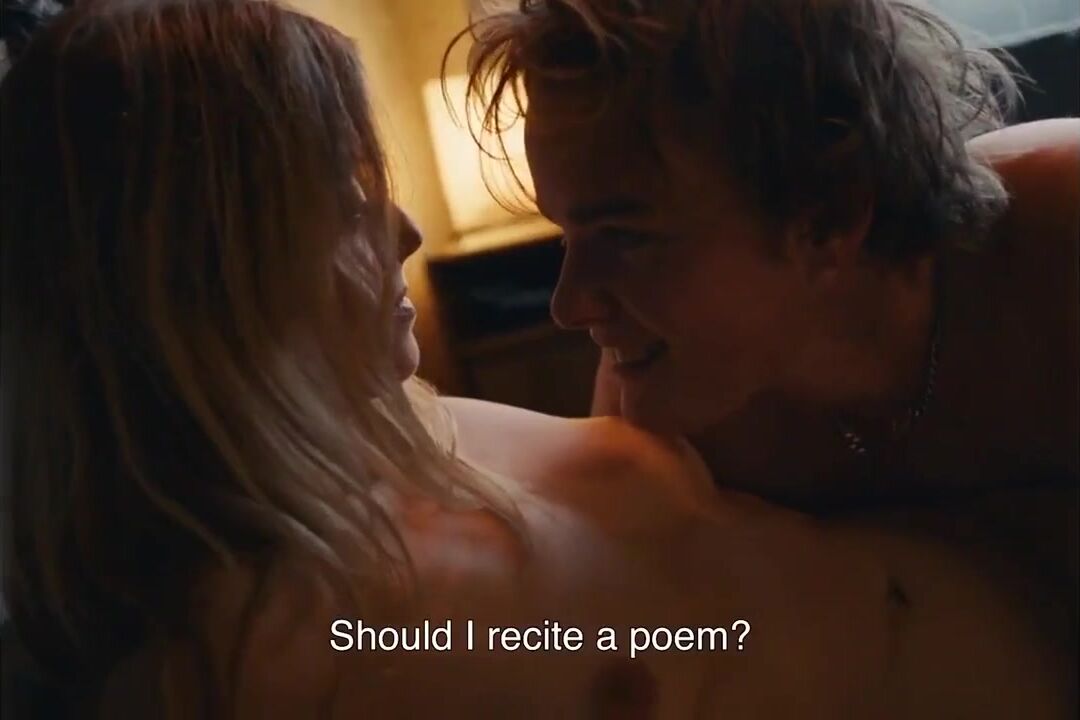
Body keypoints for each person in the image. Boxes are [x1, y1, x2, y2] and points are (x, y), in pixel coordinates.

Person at [0, 0, 1072, 718]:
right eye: (342, 199)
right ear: (209, 267)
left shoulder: (416, 426)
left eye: (626, 232)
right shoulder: (270, 651)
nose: (404, 233)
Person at [463, 0, 1078, 640]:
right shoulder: (667, 409)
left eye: (626, 236)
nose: (570, 306)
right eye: (567, 237)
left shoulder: (1059, 246)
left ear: (830, 218)